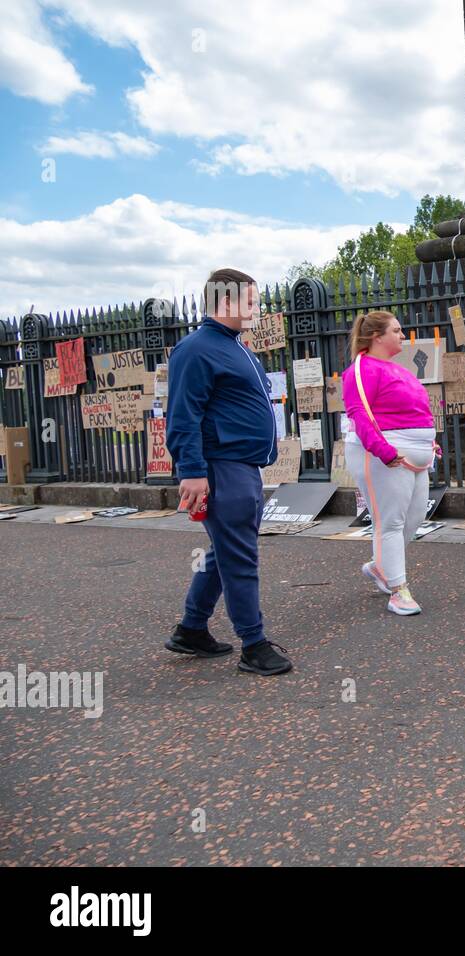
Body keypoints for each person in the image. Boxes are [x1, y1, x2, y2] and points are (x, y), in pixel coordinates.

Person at [164, 268, 292, 676]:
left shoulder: (233, 346)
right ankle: (253, 645)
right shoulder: (196, 349)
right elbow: (183, 415)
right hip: (221, 468)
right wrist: (192, 471)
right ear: (225, 302)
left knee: (224, 552)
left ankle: (191, 628)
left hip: (242, 467)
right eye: (251, 302)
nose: (257, 309)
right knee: (240, 557)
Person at [342, 311, 439, 615]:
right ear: (376, 337)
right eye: (396, 330)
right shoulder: (361, 370)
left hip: (413, 456)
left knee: (412, 521)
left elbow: (414, 411)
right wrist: (383, 451)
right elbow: (358, 413)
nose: (402, 334)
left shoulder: (397, 370)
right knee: (392, 523)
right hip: (387, 455)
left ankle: (381, 567)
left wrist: (428, 442)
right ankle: (399, 591)